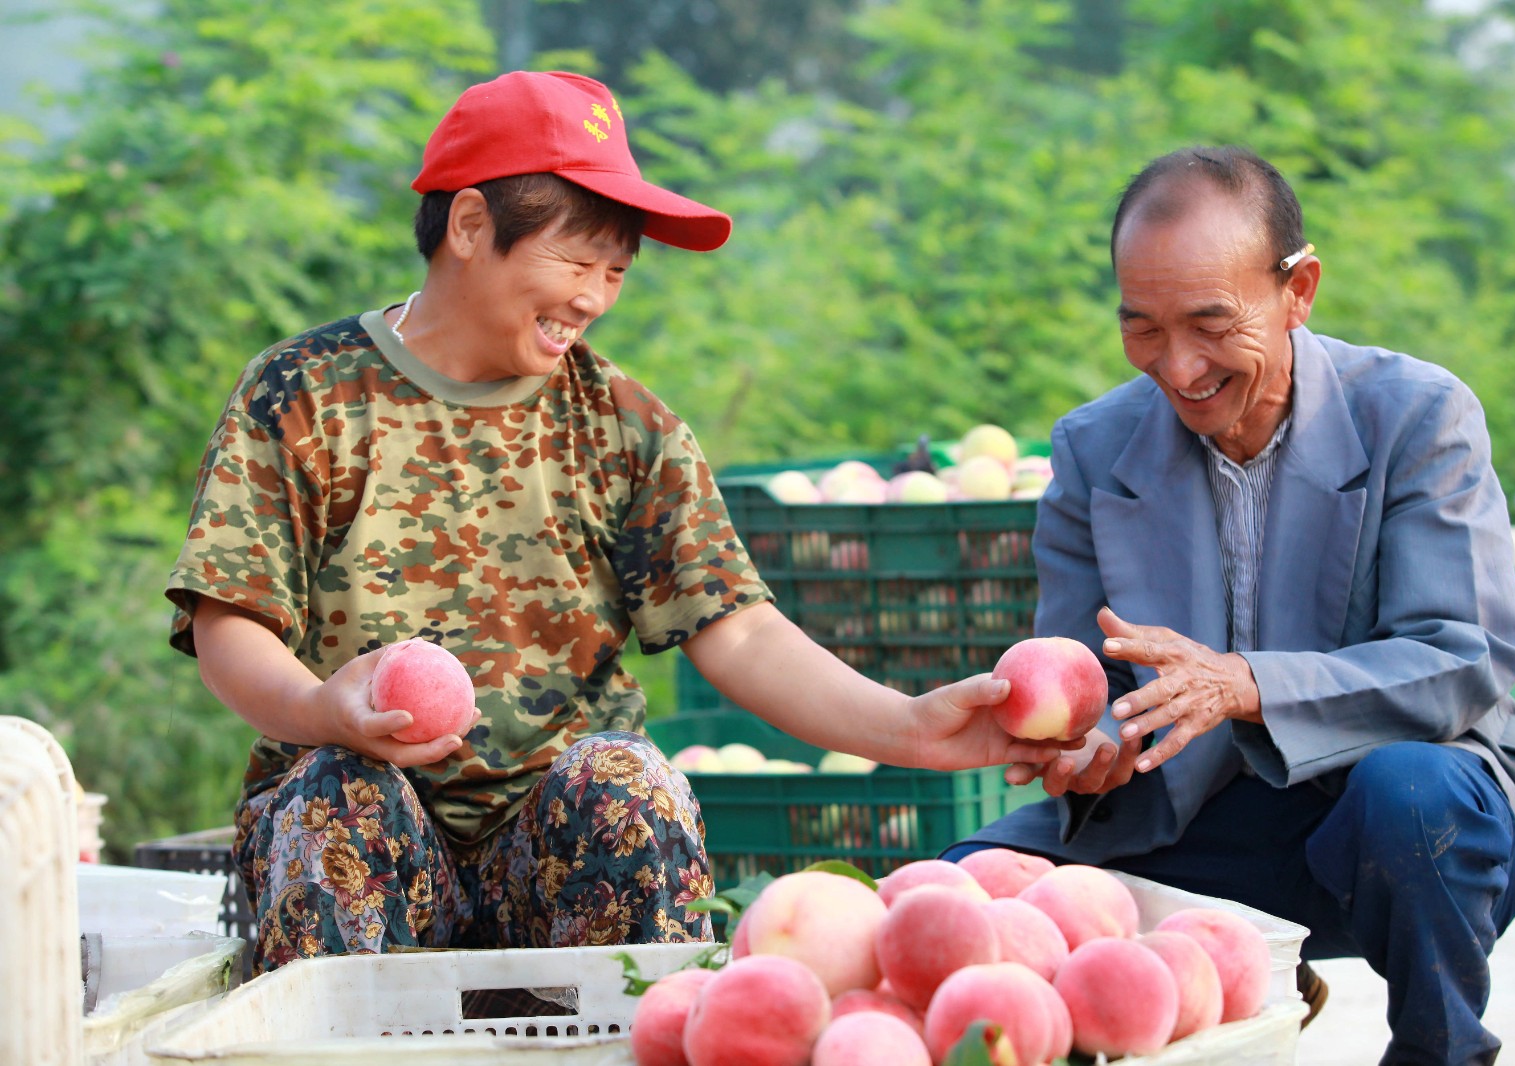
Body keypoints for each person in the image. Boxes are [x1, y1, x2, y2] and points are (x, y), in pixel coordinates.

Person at [166, 70, 1057, 977]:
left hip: (553, 854)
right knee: (337, 794)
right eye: (575, 262)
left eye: (616, 271)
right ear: (470, 226)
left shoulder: (625, 424)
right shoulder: (305, 392)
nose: (593, 297)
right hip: (361, 840)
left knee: (631, 786)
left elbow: (739, 634)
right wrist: (323, 709)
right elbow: (229, 621)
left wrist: (911, 728)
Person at [945, 146, 1515, 1065]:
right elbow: (1090, 678)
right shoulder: (1093, 450)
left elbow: (1464, 657)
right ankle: (1240, 993)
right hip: (1188, 818)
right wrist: (1084, 748)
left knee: (1410, 792)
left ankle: (1442, 1051)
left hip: (1392, 820)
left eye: (1211, 322)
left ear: (1299, 289)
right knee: (968, 891)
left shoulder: (1418, 417)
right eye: (1142, 328)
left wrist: (1245, 683)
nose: (1179, 366)